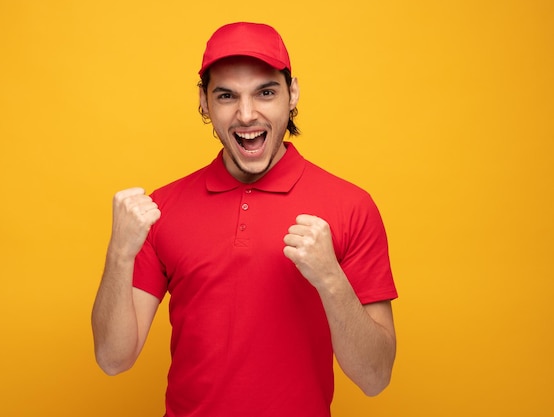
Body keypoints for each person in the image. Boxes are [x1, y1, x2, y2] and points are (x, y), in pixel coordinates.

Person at [91, 22, 398, 417]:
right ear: (203, 102)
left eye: (266, 92)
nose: (247, 114)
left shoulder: (350, 206)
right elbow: (113, 359)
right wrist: (119, 252)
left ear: (293, 95)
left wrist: (330, 279)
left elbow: (376, 378)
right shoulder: (161, 208)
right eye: (226, 95)